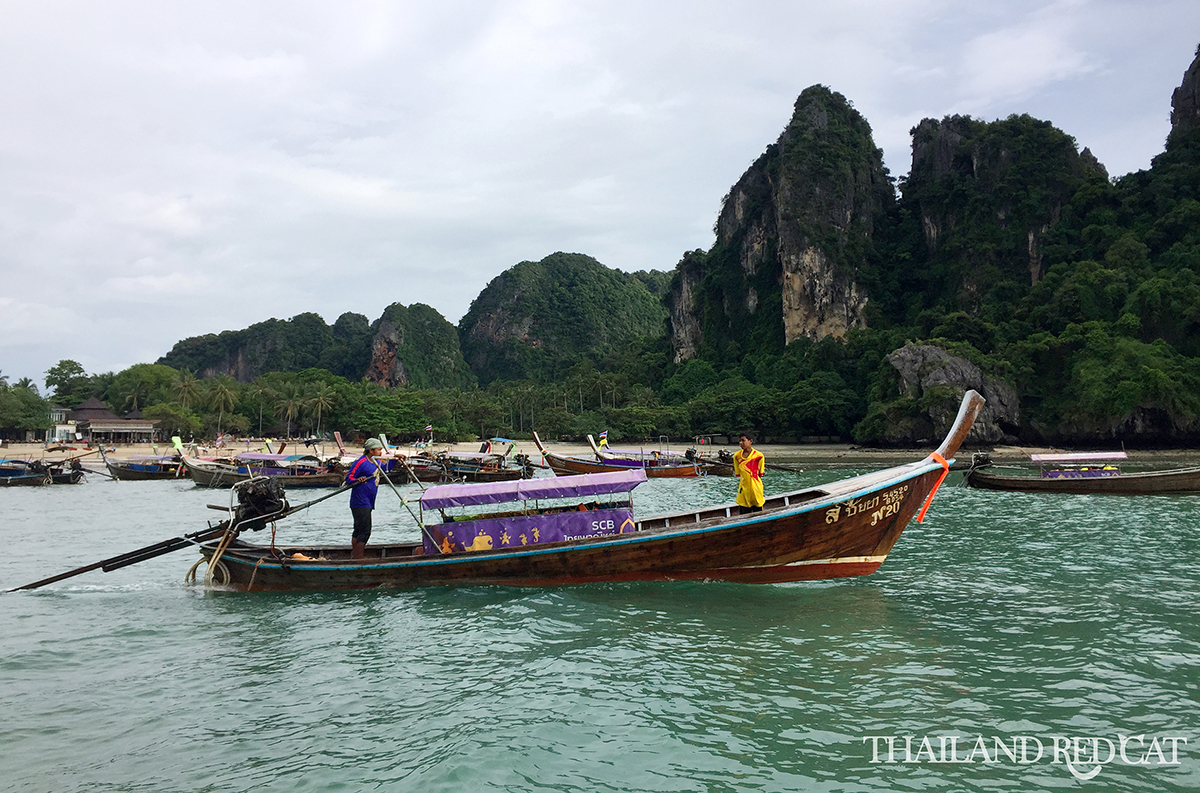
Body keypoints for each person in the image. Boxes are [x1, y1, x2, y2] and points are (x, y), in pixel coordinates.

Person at [346, 438, 395, 559]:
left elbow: (384, 469)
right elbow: (349, 479)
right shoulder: (361, 462)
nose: (380, 452)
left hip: (369, 501)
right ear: (371, 450)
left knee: (359, 529)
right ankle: (359, 558)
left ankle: (356, 556)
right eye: (378, 449)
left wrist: (395, 460)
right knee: (364, 531)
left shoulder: (375, 462)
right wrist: (357, 480)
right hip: (360, 501)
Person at [733, 432, 765, 514]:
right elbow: (738, 474)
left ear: (750, 441)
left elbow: (760, 474)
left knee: (758, 514)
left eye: (743, 441)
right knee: (743, 513)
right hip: (743, 490)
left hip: (756, 489)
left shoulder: (759, 456)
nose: (741, 443)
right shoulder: (737, 456)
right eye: (740, 441)